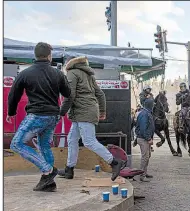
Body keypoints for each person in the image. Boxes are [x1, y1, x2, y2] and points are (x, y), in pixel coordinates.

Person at [7, 42, 71, 191]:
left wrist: (11, 113)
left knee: (16, 144)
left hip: (36, 115)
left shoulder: (25, 73)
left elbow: (13, 95)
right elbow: (68, 94)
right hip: (53, 116)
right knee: (43, 146)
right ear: (49, 56)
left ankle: (47, 169)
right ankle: (48, 182)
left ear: (35, 55)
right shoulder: (58, 73)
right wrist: (60, 111)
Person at [58, 56, 125, 181]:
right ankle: (69, 169)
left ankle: (114, 162)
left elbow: (69, 95)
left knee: (89, 141)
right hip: (84, 112)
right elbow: (100, 94)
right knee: (72, 139)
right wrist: (102, 111)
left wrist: (61, 112)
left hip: (83, 111)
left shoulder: (72, 73)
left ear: (69, 63)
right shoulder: (89, 75)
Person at [135, 98, 155, 182]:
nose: (154, 106)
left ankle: (144, 172)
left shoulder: (146, 113)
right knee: (145, 157)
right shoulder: (145, 114)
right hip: (144, 139)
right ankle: (142, 176)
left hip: (144, 138)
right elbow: (143, 128)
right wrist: (148, 138)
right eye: (153, 104)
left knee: (147, 156)